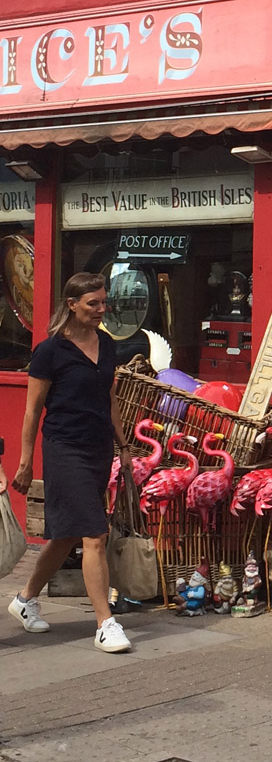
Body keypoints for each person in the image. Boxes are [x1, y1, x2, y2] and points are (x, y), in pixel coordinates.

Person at [2, 272, 134, 653]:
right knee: (94, 533)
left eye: (103, 302)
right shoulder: (49, 351)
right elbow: (31, 412)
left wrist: (124, 446)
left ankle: (24, 600)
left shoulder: (107, 345)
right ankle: (105, 624)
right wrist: (26, 462)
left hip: (99, 448)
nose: (101, 310)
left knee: (67, 535)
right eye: (93, 304)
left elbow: (110, 400)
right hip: (64, 448)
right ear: (72, 304)